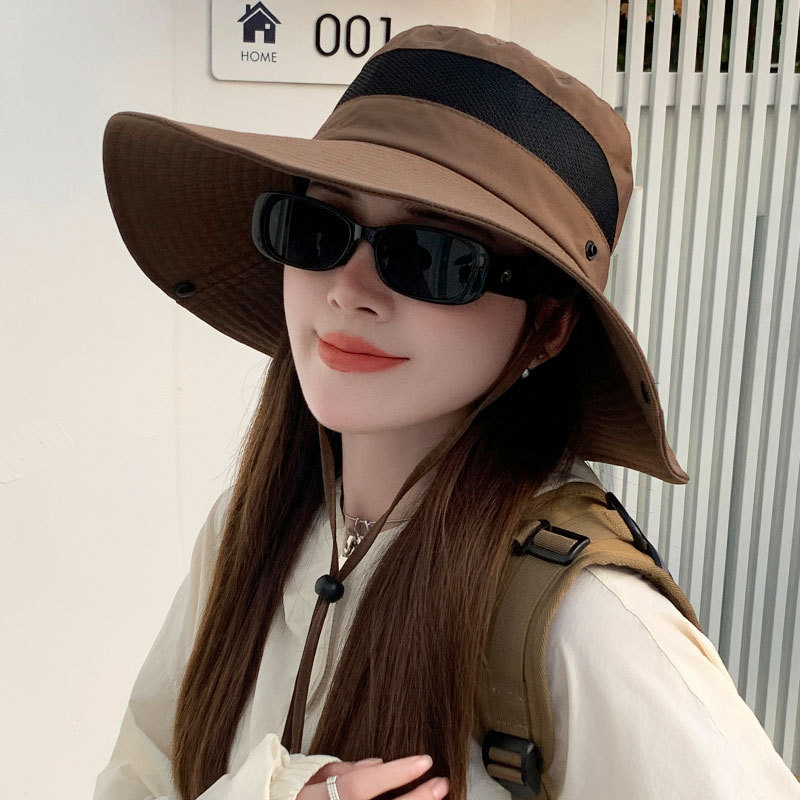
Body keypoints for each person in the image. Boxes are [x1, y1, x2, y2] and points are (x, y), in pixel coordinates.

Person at [94, 23, 800, 800]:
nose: (348, 290)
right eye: (317, 230)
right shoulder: (248, 528)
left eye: (431, 257)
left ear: (549, 324)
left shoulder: (582, 622)